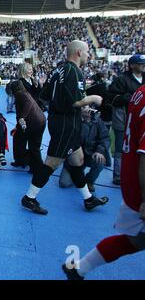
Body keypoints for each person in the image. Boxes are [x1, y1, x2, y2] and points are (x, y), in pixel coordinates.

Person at [62, 84, 145, 280]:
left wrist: (99, 151)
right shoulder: (75, 122)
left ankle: (79, 269)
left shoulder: (139, 92)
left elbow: (106, 141)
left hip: (128, 178)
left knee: (136, 241)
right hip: (136, 184)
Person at [20, 40, 108, 215]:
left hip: (61, 122)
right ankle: (29, 198)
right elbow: (76, 101)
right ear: (78, 53)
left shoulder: (57, 70)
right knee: (52, 162)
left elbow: (44, 96)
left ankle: (88, 199)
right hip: (66, 126)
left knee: (78, 160)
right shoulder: (74, 71)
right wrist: (94, 98)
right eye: (87, 52)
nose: (89, 55)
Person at [108, 54, 145, 185]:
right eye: (141, 63)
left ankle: (136, 175)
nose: (143, 65)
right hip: (123, 119)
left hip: (141, 122)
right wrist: (129, 98)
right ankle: (118, 175)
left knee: (139, 149)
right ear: (132, 65)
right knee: (120, 148)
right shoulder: (121, 80)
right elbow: (111, 98)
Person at [58, 106, 111, 193]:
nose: (86, 110)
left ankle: (89, 181)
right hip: (74, 157)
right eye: (82, 107)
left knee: (100, 160)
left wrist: (99, 151)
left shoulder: (98, 121)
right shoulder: (73, 120)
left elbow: (105, 138)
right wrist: (84, 123)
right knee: (64, 183)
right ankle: (77, 171)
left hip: (90, 155)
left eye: (86, 107)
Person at [10, 80, 46, 173]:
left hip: (33, 123)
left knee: (32, 146)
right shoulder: (25, 93)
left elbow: (27, 105)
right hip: (39, 121)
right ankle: (27, 163)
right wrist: (18, 125)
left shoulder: (20, 94)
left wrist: (22, 117)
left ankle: (36, 167)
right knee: (25, 142)